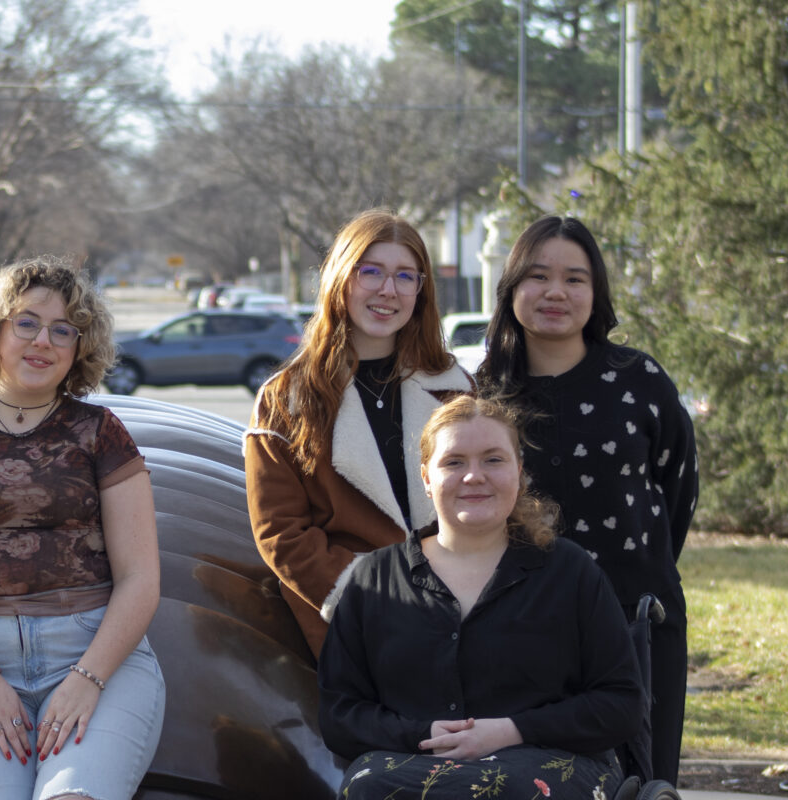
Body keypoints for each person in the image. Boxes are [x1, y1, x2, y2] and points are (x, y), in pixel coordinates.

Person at [0, 256, 164, 800]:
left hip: (94, 655)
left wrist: (88, 680)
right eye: (27, 322)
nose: (44, 340)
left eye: (64, 330)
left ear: (79, 348)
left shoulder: (100, 432)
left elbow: (140, 578)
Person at [318, 395, 644, 800]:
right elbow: (340, 713)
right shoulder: (374, 580)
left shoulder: (570, 572)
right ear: (425, 477)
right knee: (370, 787)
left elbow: (622, 704)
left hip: (549, 760)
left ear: (519, 472)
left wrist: (512, 730)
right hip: (409, 764)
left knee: (508, 790)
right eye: (454, 462)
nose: (474, 477)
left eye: (493, 459)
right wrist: (423, 733)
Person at [475, 215, 699, 783]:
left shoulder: (640, 380)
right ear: (512, 289)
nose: (556, 292)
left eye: (575, 279)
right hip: (523, 623)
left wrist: (640, 570)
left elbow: (678, 488)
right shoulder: (482, 392)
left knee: (642, 780)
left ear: (595, 293)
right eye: (538, 276)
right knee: (539, 781)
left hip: (640, 619)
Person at [245, 209, 472, 658]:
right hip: (358, 630)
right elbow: (281, 533)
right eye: (372, 271)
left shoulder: (455, 388)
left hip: (463, 620)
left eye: (406, 276)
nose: (388, 290)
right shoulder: (285, 399)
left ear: (421, 292)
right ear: (341, 278)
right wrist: (383, 601)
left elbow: (488, 501)